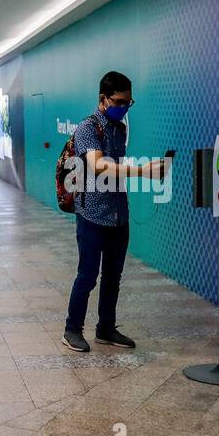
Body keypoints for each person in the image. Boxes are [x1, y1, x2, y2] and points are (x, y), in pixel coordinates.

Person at [62, 71, 166, 353]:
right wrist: (142, 171)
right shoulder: (87, 128)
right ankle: (72, 329)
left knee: (113, 277)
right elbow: (98, 166)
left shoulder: (119, 129)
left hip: (118, 215)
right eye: (119, 101)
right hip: (92, 215)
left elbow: (116, 170)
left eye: (128, 103)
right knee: (87, 276)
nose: (123, 107)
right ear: (103, 99)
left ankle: (106, 329)